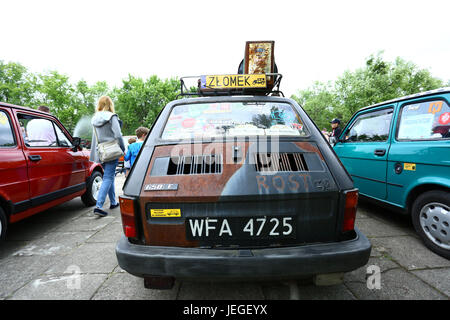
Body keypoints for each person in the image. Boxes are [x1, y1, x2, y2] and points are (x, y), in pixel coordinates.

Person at [90, 96, 125, 217]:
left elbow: (95, 138)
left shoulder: (94, 118)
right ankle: (98, 206)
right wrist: (123, 148)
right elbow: (118, 135)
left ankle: (113, 202)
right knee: (108, 177)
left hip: (101, 152)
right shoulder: (112, 116)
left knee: (108, 176)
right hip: (112, 151)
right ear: (110, 104)